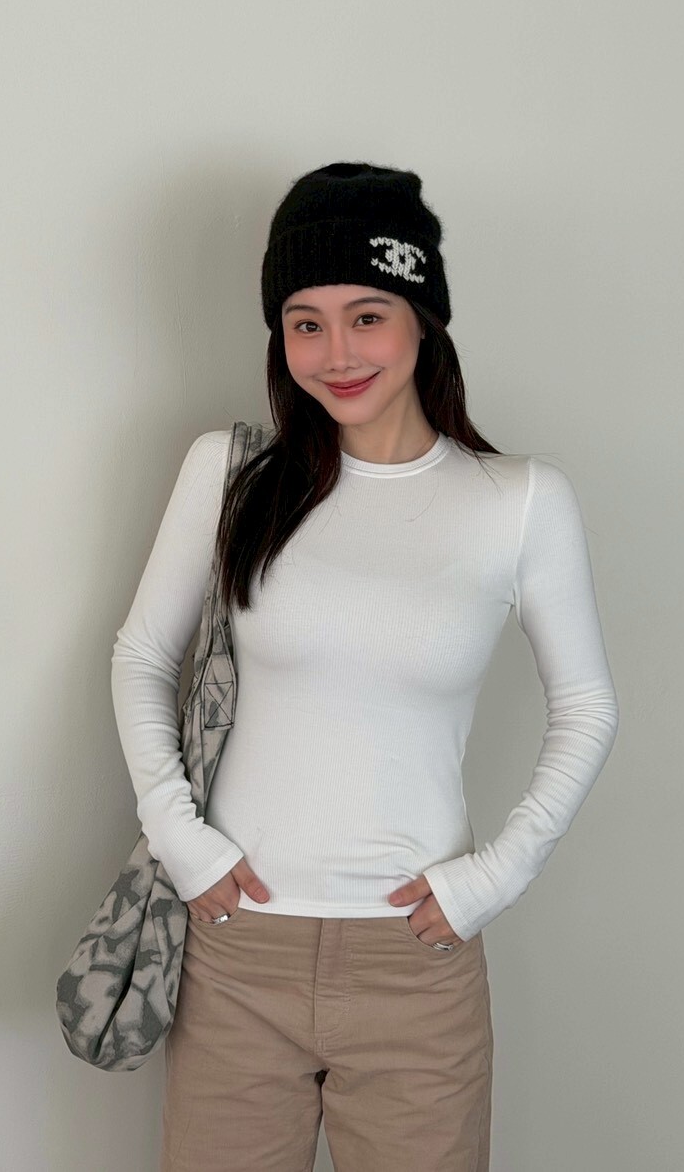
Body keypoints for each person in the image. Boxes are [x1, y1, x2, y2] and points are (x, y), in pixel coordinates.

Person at [111, 161, 620, 1172]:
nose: (336, 353)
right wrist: (182, 842)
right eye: (305, 323)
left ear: (423, 320)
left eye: (367, 316)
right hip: (238, 954)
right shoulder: (231, 474)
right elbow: (141, 656)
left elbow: (586, 704)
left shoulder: (518, 501)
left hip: (417, 968)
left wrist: (494, 877)